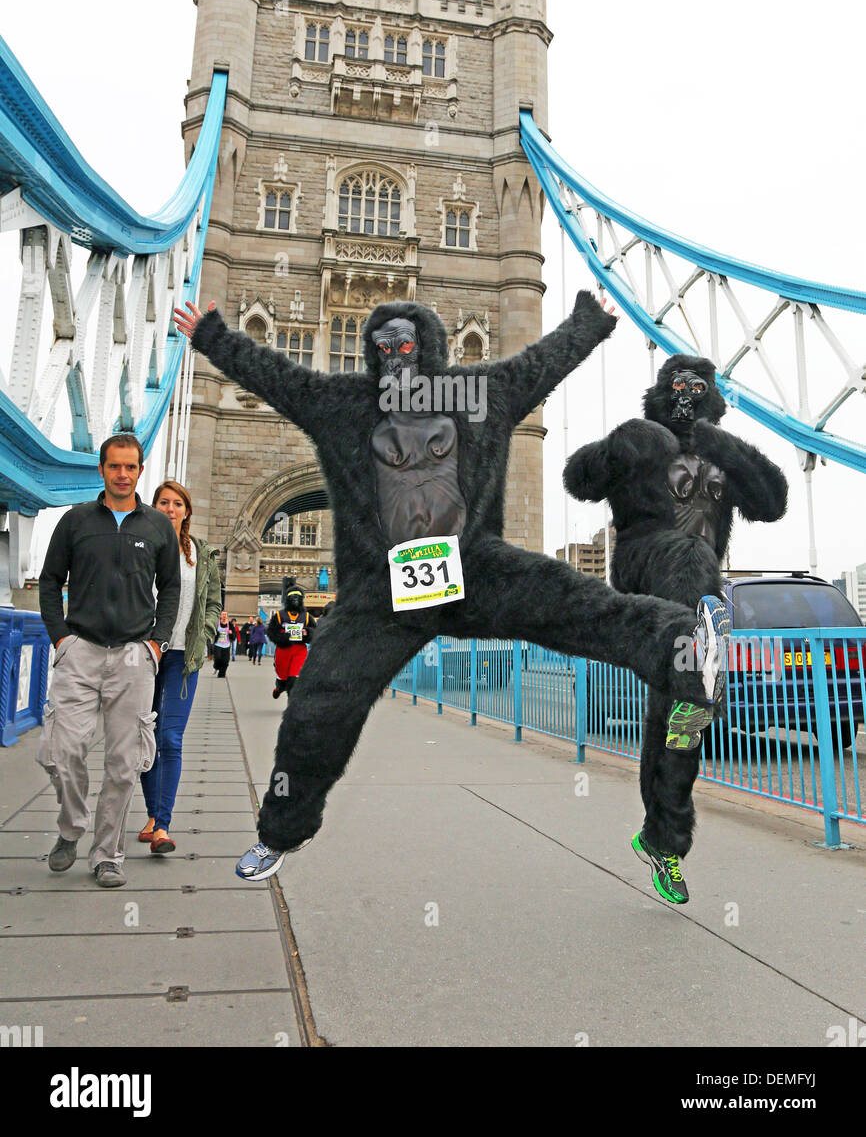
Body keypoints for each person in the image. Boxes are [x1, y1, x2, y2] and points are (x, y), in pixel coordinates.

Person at [174, 295, 728, 886]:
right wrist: (211, 336)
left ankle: (685, 644)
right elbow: (276, 377)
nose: (393, 357)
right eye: (382, 347)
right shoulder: (342, 405)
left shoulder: (477, 394)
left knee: (583, 606)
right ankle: (280, 832)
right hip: (383, 595)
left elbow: (544, 361)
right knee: (319, 704)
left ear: (431, 349)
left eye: (405, 345)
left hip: (475, 571)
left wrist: (591, 322)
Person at [565, 354, 787, 903]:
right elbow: (578, 479)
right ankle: (703, 651)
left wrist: (721, 444)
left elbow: (773, 501)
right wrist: (623, 441)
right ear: (661, 391)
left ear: (711, 396)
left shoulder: (721, 457)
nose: (686, 392)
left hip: (696, 605)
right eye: (677, 384)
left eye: (697, 385)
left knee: (679, 716)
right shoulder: (642, 445)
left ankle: (661, 840)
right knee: (688, 551)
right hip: (644, 574)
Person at [37, 434, 180, 887]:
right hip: (79, 650)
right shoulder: (75, 521)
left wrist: (156, 644)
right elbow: (49, 581)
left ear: (141, 471)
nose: (122, 474)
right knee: (61, 752)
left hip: (135, 656)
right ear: (101, 469)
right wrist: (60, 638)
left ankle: (107, 855)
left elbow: (172, 588)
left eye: (131, 467)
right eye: (114, 466)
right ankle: (70, 828)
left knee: (124, 762)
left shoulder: (158, 526)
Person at [138, 480, 221, 855]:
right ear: (153, 506)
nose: (170, 509)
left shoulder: (200, 553)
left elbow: (214, 602)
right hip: (144, 654)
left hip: (184, 655)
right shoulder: (139, 546)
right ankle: (153, 815)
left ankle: (163, 826)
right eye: (163, 502)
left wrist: (205, 635)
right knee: (144, 738)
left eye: (177, 503)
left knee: (170, 738)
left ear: (187, 510)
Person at [268, 585, 316, 700]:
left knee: (294, 679)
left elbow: (316, 631)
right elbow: (271, 631)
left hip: (299, 650)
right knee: (282, 679)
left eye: (298, 597)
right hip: (283, 650)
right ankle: (278, 688)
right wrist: (282, 637)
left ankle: (292, 705)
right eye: (292, 597)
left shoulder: (307, 617)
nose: (295, 599)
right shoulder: (280, 615)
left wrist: (308, 633)